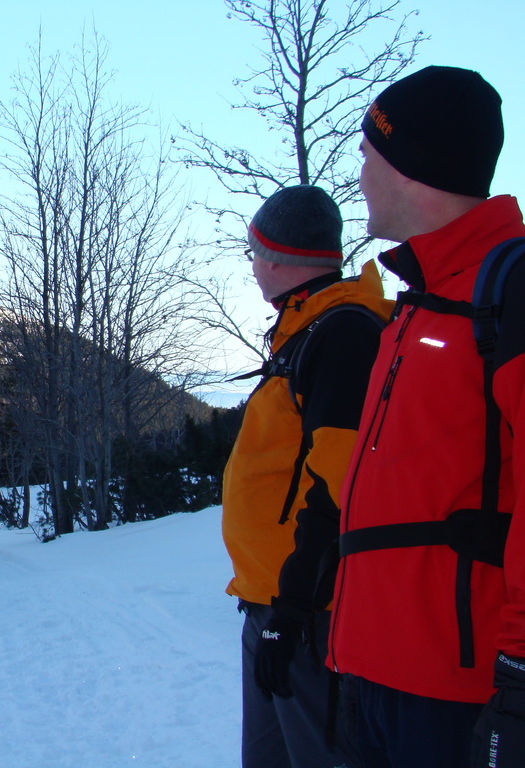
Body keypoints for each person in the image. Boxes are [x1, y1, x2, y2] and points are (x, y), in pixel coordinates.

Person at [325, 65, 525, 768]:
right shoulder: (417, 302)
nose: (359, 176)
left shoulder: (506, 291)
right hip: (370, 675)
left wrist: (520, 676)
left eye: (365, 156)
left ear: (409, 166)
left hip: (456, 694)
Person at [222, 184, 392, 768]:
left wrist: (294, 609)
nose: (251, 268)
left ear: (275, 256)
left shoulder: (341, 333)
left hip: (309, 612)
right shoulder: (304, 331)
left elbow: (338, 484)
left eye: (252, 254)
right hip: (272, 601)